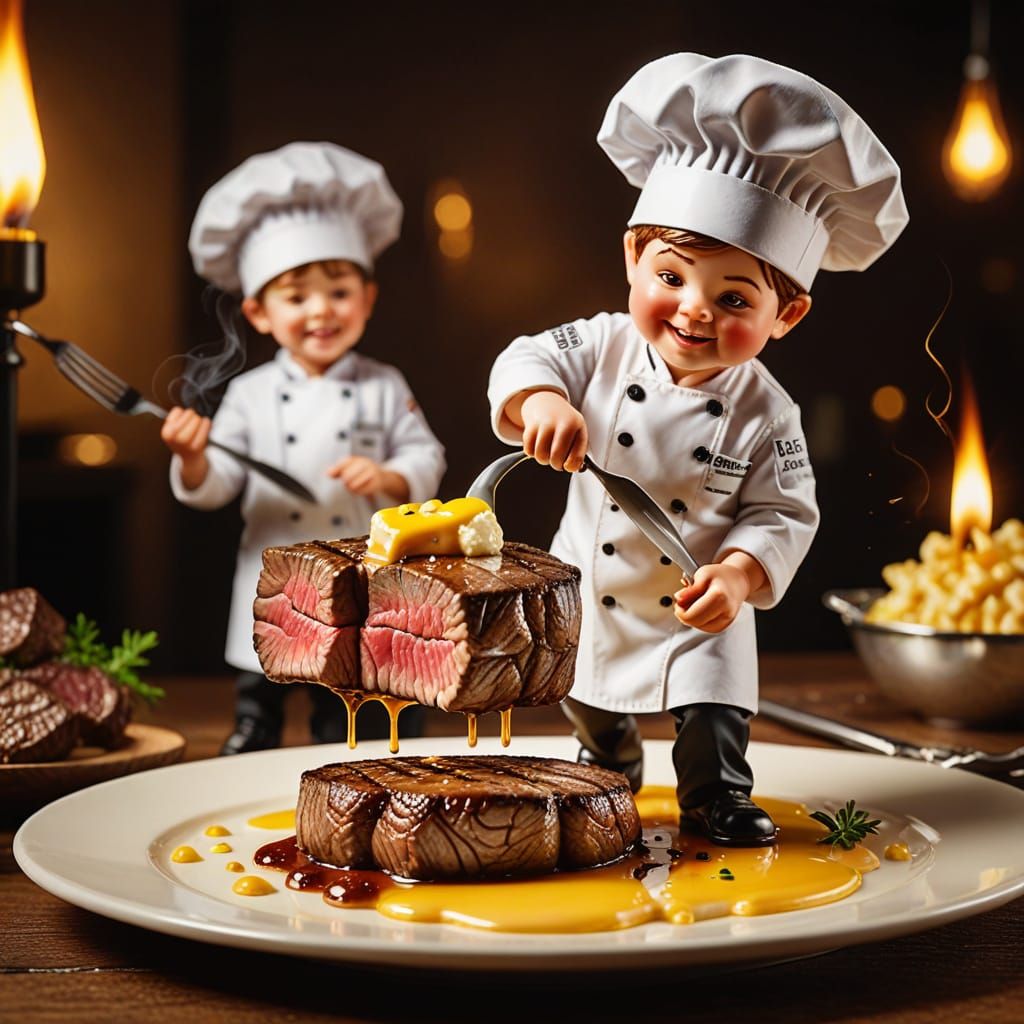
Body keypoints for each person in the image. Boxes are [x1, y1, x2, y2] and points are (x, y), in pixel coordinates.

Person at [487, 53, 907, 845]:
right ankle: (605, 768)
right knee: (591, 697)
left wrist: (741, 574)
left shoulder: (769, 412)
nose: (694, 311)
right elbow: (525, 357)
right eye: (671, 276)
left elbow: (785, 512)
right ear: (630, 261)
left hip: (700, 602)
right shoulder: (600, 346)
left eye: (734, 297)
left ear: (788, 317)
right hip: (594, 581)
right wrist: (538, 400)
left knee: (713, 709)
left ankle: (715, 795)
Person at [163, 142, 446, 755]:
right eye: (296, 297)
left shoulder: (383, 384)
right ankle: (251, 738)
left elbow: (427, 459)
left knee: (342, 689)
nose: (321, 310)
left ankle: (337, 746)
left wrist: (391, 477)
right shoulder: (249, 393)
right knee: (262, 682)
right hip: (273, 572)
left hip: (358, 575)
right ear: (259, 313)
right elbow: (218, 484)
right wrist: (192, 458)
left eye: (338, 291)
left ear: (367, 299)